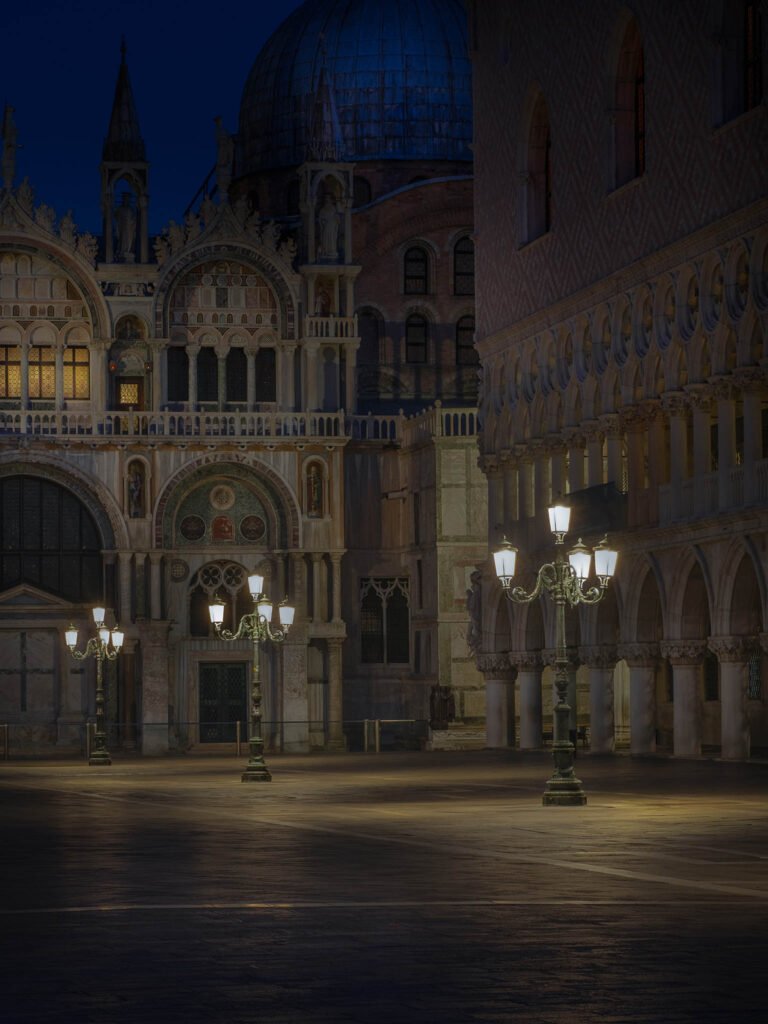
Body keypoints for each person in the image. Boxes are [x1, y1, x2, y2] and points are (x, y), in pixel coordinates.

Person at [317, 193, 340, 259]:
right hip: (325, 227)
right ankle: (325, 251)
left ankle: (332, 251)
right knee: (325, 239)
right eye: (326, 198)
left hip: (332, 227)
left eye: (328, 198)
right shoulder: (322, 210)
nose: (327, 200)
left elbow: (337, 219)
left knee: (332, 239)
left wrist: (336, 219)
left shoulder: (334, 208)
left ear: (331, 200)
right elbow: (320, 219)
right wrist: (322, 222)